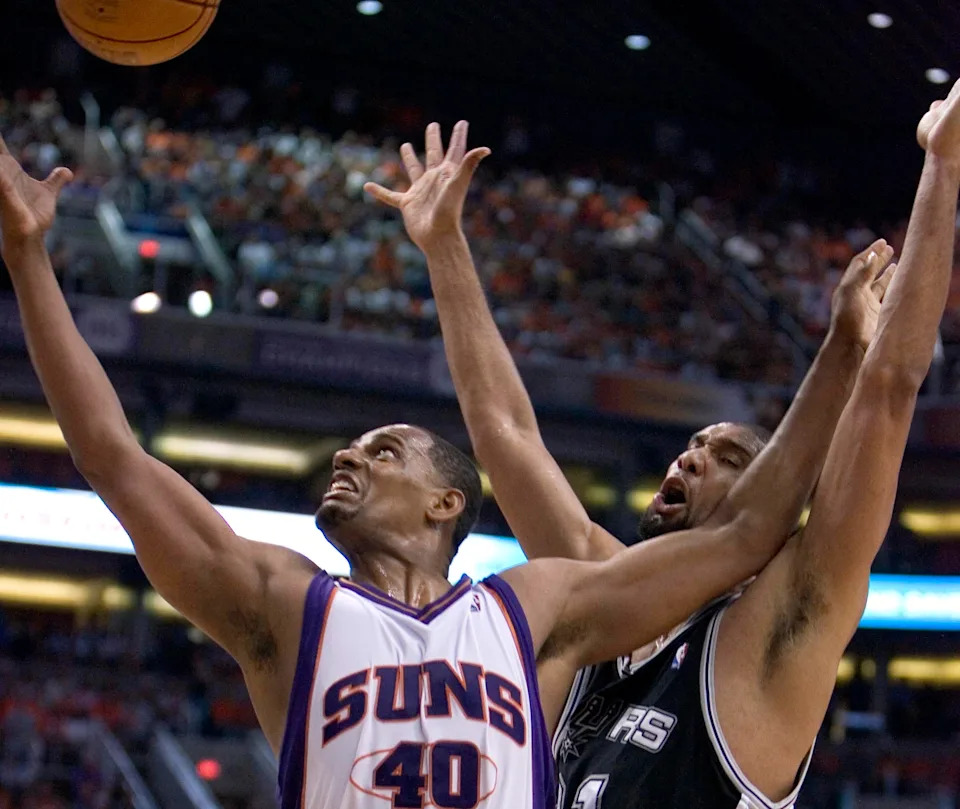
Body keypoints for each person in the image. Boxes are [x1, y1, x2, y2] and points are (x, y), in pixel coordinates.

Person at [0, 119, 869, 809]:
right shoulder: (284, 605)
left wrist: (840, 353)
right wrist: (29, 257)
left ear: (446, 502)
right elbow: (110, 456)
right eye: (353, 446)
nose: (346, 453)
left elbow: (754, 526)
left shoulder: (531, 610)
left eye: (384, 450)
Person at [364, 101, 951, 809]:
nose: (689, 458)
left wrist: (943, 166)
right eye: (690, 444)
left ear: (772, 494)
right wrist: (444, 246)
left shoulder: (779, 627)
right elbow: (504, 434)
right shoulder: (602, 597)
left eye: (724, 454)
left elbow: (887, 392)